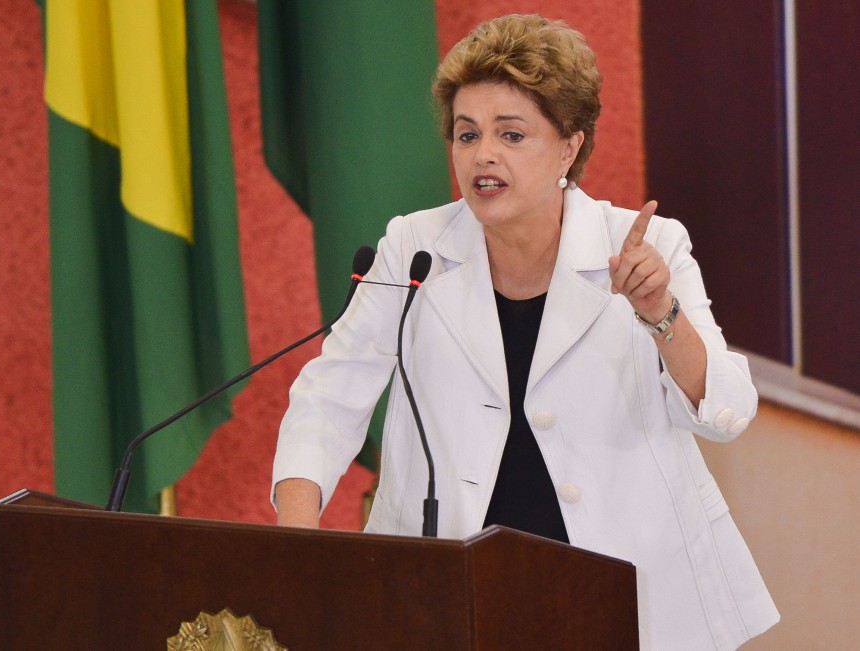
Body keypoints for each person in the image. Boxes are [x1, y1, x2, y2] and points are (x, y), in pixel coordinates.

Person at [271, 13, 778, 650]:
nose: (483, 154)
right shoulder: (413, 248)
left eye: (511, 134)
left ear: (569, 146)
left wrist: (661, 314)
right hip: (448, 595)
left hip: (627, 593)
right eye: (466, 134)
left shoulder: (646, 247)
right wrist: (292, 543)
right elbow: (330, 395)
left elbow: (727, 411)